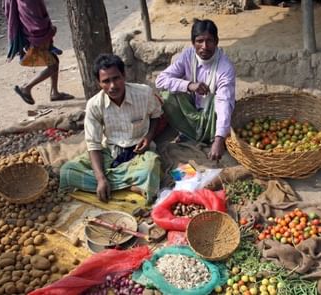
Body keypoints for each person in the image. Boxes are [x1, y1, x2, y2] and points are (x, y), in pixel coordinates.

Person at [59, 54, 162, 203]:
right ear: (98, 83)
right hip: (111, 151)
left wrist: (148, 137)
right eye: (106, 81)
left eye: (116, 78)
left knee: (150, 169)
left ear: (124, 75)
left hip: (140, 152)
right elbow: (93, 144)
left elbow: (156, 115)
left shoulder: (144, 93)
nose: (113, 86)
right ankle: (127, 184)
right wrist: (101, 179)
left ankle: (117, 183)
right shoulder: (94, 105)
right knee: (67, 172)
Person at [155, 19, 236, 161]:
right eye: (199, 41)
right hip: (193, 109)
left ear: (216, 41)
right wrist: (189, 85)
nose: (204, 46)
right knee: (167, 96)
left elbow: (224, 102)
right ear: (193, 43)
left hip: (212, 115)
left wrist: (219, 140)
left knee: (215, 99)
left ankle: (212, 137)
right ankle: (189, 133)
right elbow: (161, 80)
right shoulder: (188, 55)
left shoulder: (225, 67)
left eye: (209, 41)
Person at [3, 0, 74, 105]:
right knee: (53, 66)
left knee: (54, 60)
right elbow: (34, 21)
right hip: (37, 36)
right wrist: (49, 31)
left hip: (35, 34)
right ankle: (26, 88)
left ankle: (54, 92)